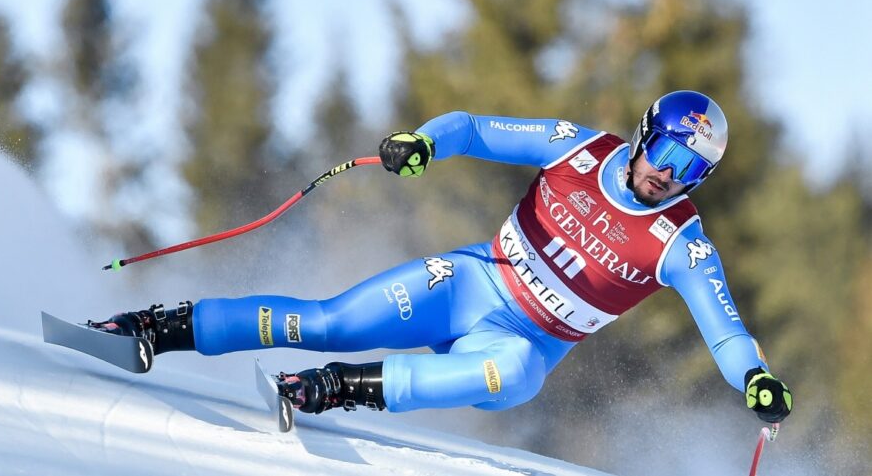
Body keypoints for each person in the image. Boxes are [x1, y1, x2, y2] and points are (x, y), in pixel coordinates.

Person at [93, 90, 792, 423]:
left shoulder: (682, 240)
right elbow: (473, 128)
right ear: (646, 135)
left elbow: (725, 330)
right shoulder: (579, 148)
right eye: (669, 153)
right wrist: (423, 143)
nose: (670, 175)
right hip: (468, 283)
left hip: (523, 339)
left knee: (519, 373)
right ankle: (160, 327)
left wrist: (756, 379)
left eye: (691, 169)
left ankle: (338, 388)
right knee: (327, 320)